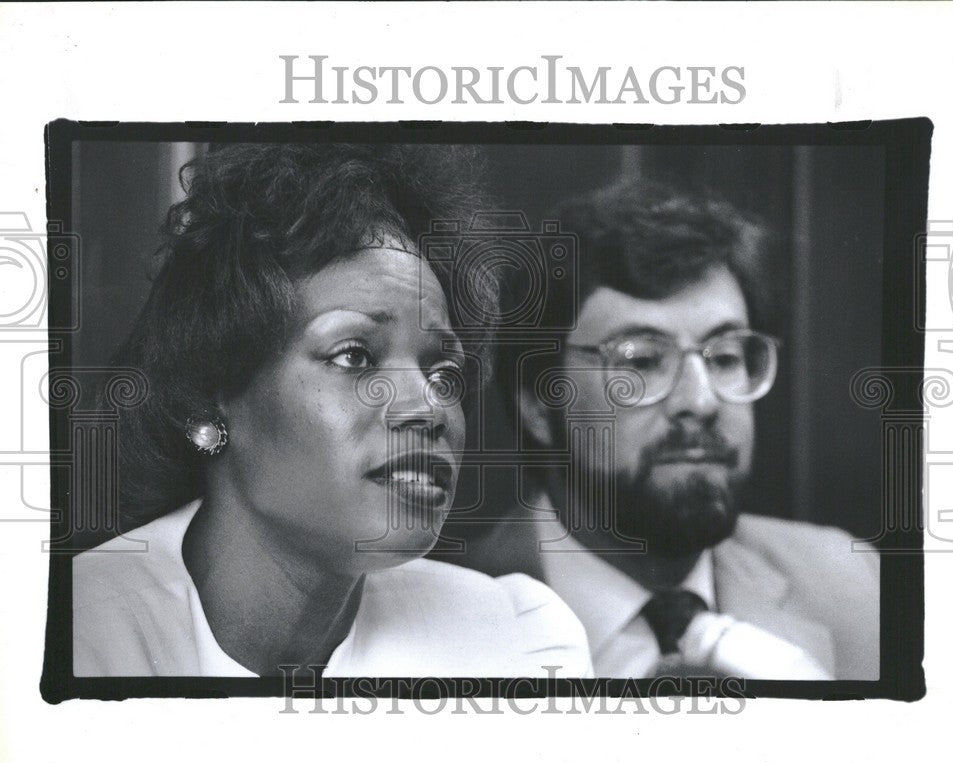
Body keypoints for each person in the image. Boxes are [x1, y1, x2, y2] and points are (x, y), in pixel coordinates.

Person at [72, 143, 592, 678]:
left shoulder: (514, 642)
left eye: (443, 373)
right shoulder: (74, 637)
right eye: (355, 356)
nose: (427, 407)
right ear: (209, 396)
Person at [440, 177, 879, 680]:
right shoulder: (437, 626)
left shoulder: (851, 586)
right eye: (643, 360)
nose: (701, 400)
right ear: (541, 405)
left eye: (727, 356)